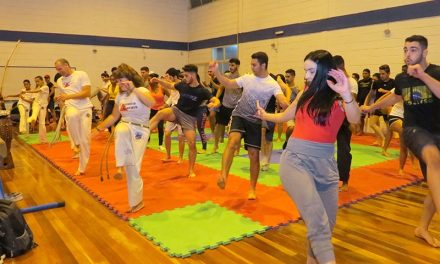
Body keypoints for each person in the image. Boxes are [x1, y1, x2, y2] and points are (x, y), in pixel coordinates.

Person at [257, 50, 360, 264]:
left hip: (326, 166)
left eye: (311, 71)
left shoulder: (340, 95)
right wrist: (264, 115)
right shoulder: (305, 93)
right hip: (296, 161)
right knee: (318, 224)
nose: (306, 76)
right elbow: (285, 116)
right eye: (305, 71)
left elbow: (355, 119)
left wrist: (347, 93)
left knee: (325, 226)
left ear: (324, 71)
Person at [361, 35, 440, 247]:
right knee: (433, 158)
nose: (407, 54)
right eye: (405, 50)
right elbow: (394, 97)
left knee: (436, 184)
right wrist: (371, 107)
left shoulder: (436, 72)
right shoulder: (402, 78)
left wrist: (423, 76)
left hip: (437, 132)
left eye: (413, 50)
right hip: (414, 130)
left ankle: (422, 228)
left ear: (424, 52)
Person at [209, 51, 289, 199]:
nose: (251, 67)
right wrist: (217, 73)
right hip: (239, 114)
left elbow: (281, 99)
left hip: (255, 120)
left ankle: (252, 188)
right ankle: (223, 175)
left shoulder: (272, 84)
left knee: (253, 155)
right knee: (233, 141)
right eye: (251, 64)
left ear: (263, 65)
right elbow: (228, 83)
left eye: (254, 64)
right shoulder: (247, 78)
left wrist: (287, 106)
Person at [94, 63, 155, 213]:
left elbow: (152, 103)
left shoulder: (141, 90)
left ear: (131, 79)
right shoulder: (120, 96)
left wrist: (133, 88)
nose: (120, 83)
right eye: (118, 81)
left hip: (140, 129)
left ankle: (137, 202)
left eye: (123, 80)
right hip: (125, 125)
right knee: (120, 129)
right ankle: (119, 166)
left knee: (134, 168)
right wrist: (98, 128)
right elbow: (114, 116)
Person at [149, 64, 220, 177]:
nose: (184, 78)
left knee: (192, 144)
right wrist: (158, 80)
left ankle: (191, 170)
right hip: (177, 111)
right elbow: (170, 85)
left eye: (186, 75)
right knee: (161, 113)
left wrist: (214, 104)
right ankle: (144, 133)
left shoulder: (202, 91)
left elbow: (216, 100)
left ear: (193, 74)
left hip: (189, 118)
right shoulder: (183, 84)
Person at [54, 58, 93, 176]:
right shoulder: (60, 81)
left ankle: (82, 167)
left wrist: (68, 96)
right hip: (71, 107)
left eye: (60, 69)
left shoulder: (81, 74)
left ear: (67, 65)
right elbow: (63, 98)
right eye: (57, 70)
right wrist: (60, 100)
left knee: (85, 139)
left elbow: (87, 93)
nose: (59, 72)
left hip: (85, 108)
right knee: (71, 115)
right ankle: (76, 143)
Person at [333, 55, 358, 192]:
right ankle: (327, 178)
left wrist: (351, 121)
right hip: (330, 119)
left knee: (343, 150)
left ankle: (344, 181)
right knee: (323, 149)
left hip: (344, 120)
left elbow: (351, 101)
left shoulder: (351, 81)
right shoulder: (330, 82)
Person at [212, 58, 242, 153]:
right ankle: (215, 146)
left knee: (236, 129)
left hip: (236, 107)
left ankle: (237, 149)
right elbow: (221, 88)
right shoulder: (226, 76)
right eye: (230, 65)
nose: (231, 67)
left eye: (233, 65)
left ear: (237, 65)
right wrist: (216, 99)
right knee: (218, 126)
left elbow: (244, 92)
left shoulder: (241, 78)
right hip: (225, 104)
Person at [364, 65, 395, 146]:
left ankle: (386, 142)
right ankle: (381, 139)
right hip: (377, 105)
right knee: (372, 124)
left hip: (388, 106)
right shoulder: (377, 82)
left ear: (388, 73)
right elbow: (370, 94)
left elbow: (394, 93)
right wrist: (366, 104)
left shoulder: (393, 82)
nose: (381, 75)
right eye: (380, 73)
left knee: (389, 126)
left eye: (383, 74)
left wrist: (384, 91)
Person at [161, 68, 185, 163]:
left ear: (175, 76)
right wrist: (165, 105)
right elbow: (172, 97)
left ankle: (180, 157)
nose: (169, 78)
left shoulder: (182, 85)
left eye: (170, 77)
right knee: (167, 133)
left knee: (180, 136)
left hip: (182, 112)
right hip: (172, 111)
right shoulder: (172, 86)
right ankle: (168, 155)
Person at [27, 76, 50, 143]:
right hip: (37, 107)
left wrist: (27, 90)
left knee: (42, 123)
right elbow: (34, 97)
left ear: (42, 80)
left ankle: (44, 139)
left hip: (43, 107)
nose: (37, 82)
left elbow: (37, 91)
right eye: (36, 81)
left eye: (38, 81)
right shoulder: (38, 88)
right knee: (40, 123)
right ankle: (41, 139)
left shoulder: (45, 87)